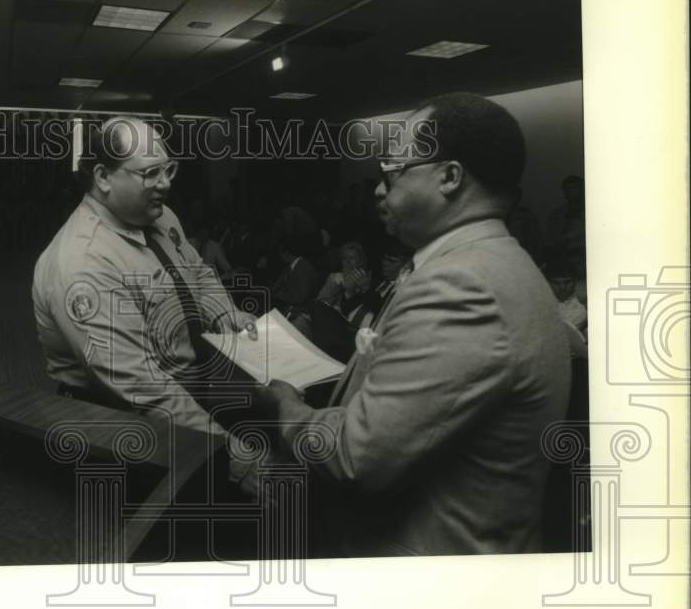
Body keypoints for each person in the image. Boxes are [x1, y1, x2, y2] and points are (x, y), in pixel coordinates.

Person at [253, 92, 571, 557]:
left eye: (393, 171)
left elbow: (357, 456)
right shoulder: (492, 262)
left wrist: (285, 406)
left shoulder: (461, 285)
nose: (380, 189)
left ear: (449, 177)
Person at [32, 116, 257, 480]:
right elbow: (144, 389)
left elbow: (196, 271)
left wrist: (225, 313)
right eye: (150, 173)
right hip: (123, 430)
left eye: (168, 169)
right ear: (104, 177)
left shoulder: (161, 215)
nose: (165, 184)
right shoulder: (83, 263)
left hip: (191, 395)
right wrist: (232, 454)